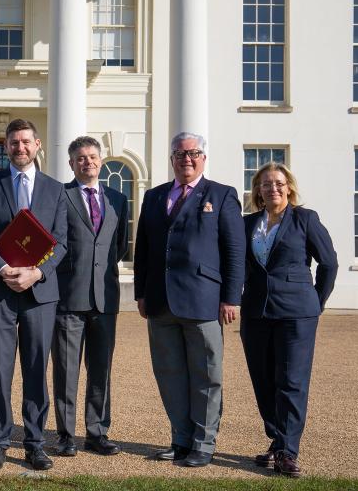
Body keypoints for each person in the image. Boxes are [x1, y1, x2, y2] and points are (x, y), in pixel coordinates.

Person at [133, 131, 245, 467]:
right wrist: (140, 292)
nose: (187, 159)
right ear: (172, 159)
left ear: (203, 158)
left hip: (203, 300)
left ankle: (204, 443)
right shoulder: (153, 197)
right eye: (180, 154)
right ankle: (180, 439)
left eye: (193, 153)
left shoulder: (222, 195)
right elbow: (144, 250)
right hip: (160, 300)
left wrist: (231, 297)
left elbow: (234, 251)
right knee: (169, 373)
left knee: (206, 374)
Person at [0, 118, 67, 471]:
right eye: (14, 143)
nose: (20, 148)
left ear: (37, 144)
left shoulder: (55, 189)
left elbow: (61, 242)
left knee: (37, 368)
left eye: (26, 142)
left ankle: (36, 443)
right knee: (0, 368)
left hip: (40, 293)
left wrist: (37, 272)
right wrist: (3, 269)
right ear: (6, 146)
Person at [240, 162, 337, 478]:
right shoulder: (247, 223)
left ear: (289, 187)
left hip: (297, 313)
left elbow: (329, 264)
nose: (273, 188)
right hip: (256, 313)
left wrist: (315, 302)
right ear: (258, 190)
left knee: (292, 382)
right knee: (264, 381)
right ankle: (278, 438)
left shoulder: (305, 219)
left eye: (279, 183)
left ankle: (287, 452)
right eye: (266, 184)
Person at [52, 136, 128, 457]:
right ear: (72, 164)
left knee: (101, 369)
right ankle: (66, 435)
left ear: (101, 160)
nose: (88, 162)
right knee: (66, 371)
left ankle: (97, 432)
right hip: (68, 297)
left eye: (93, 157)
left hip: (105, 298)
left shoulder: (118, 200)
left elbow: (120, 245)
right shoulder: (60, 196)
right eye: (81, 158)